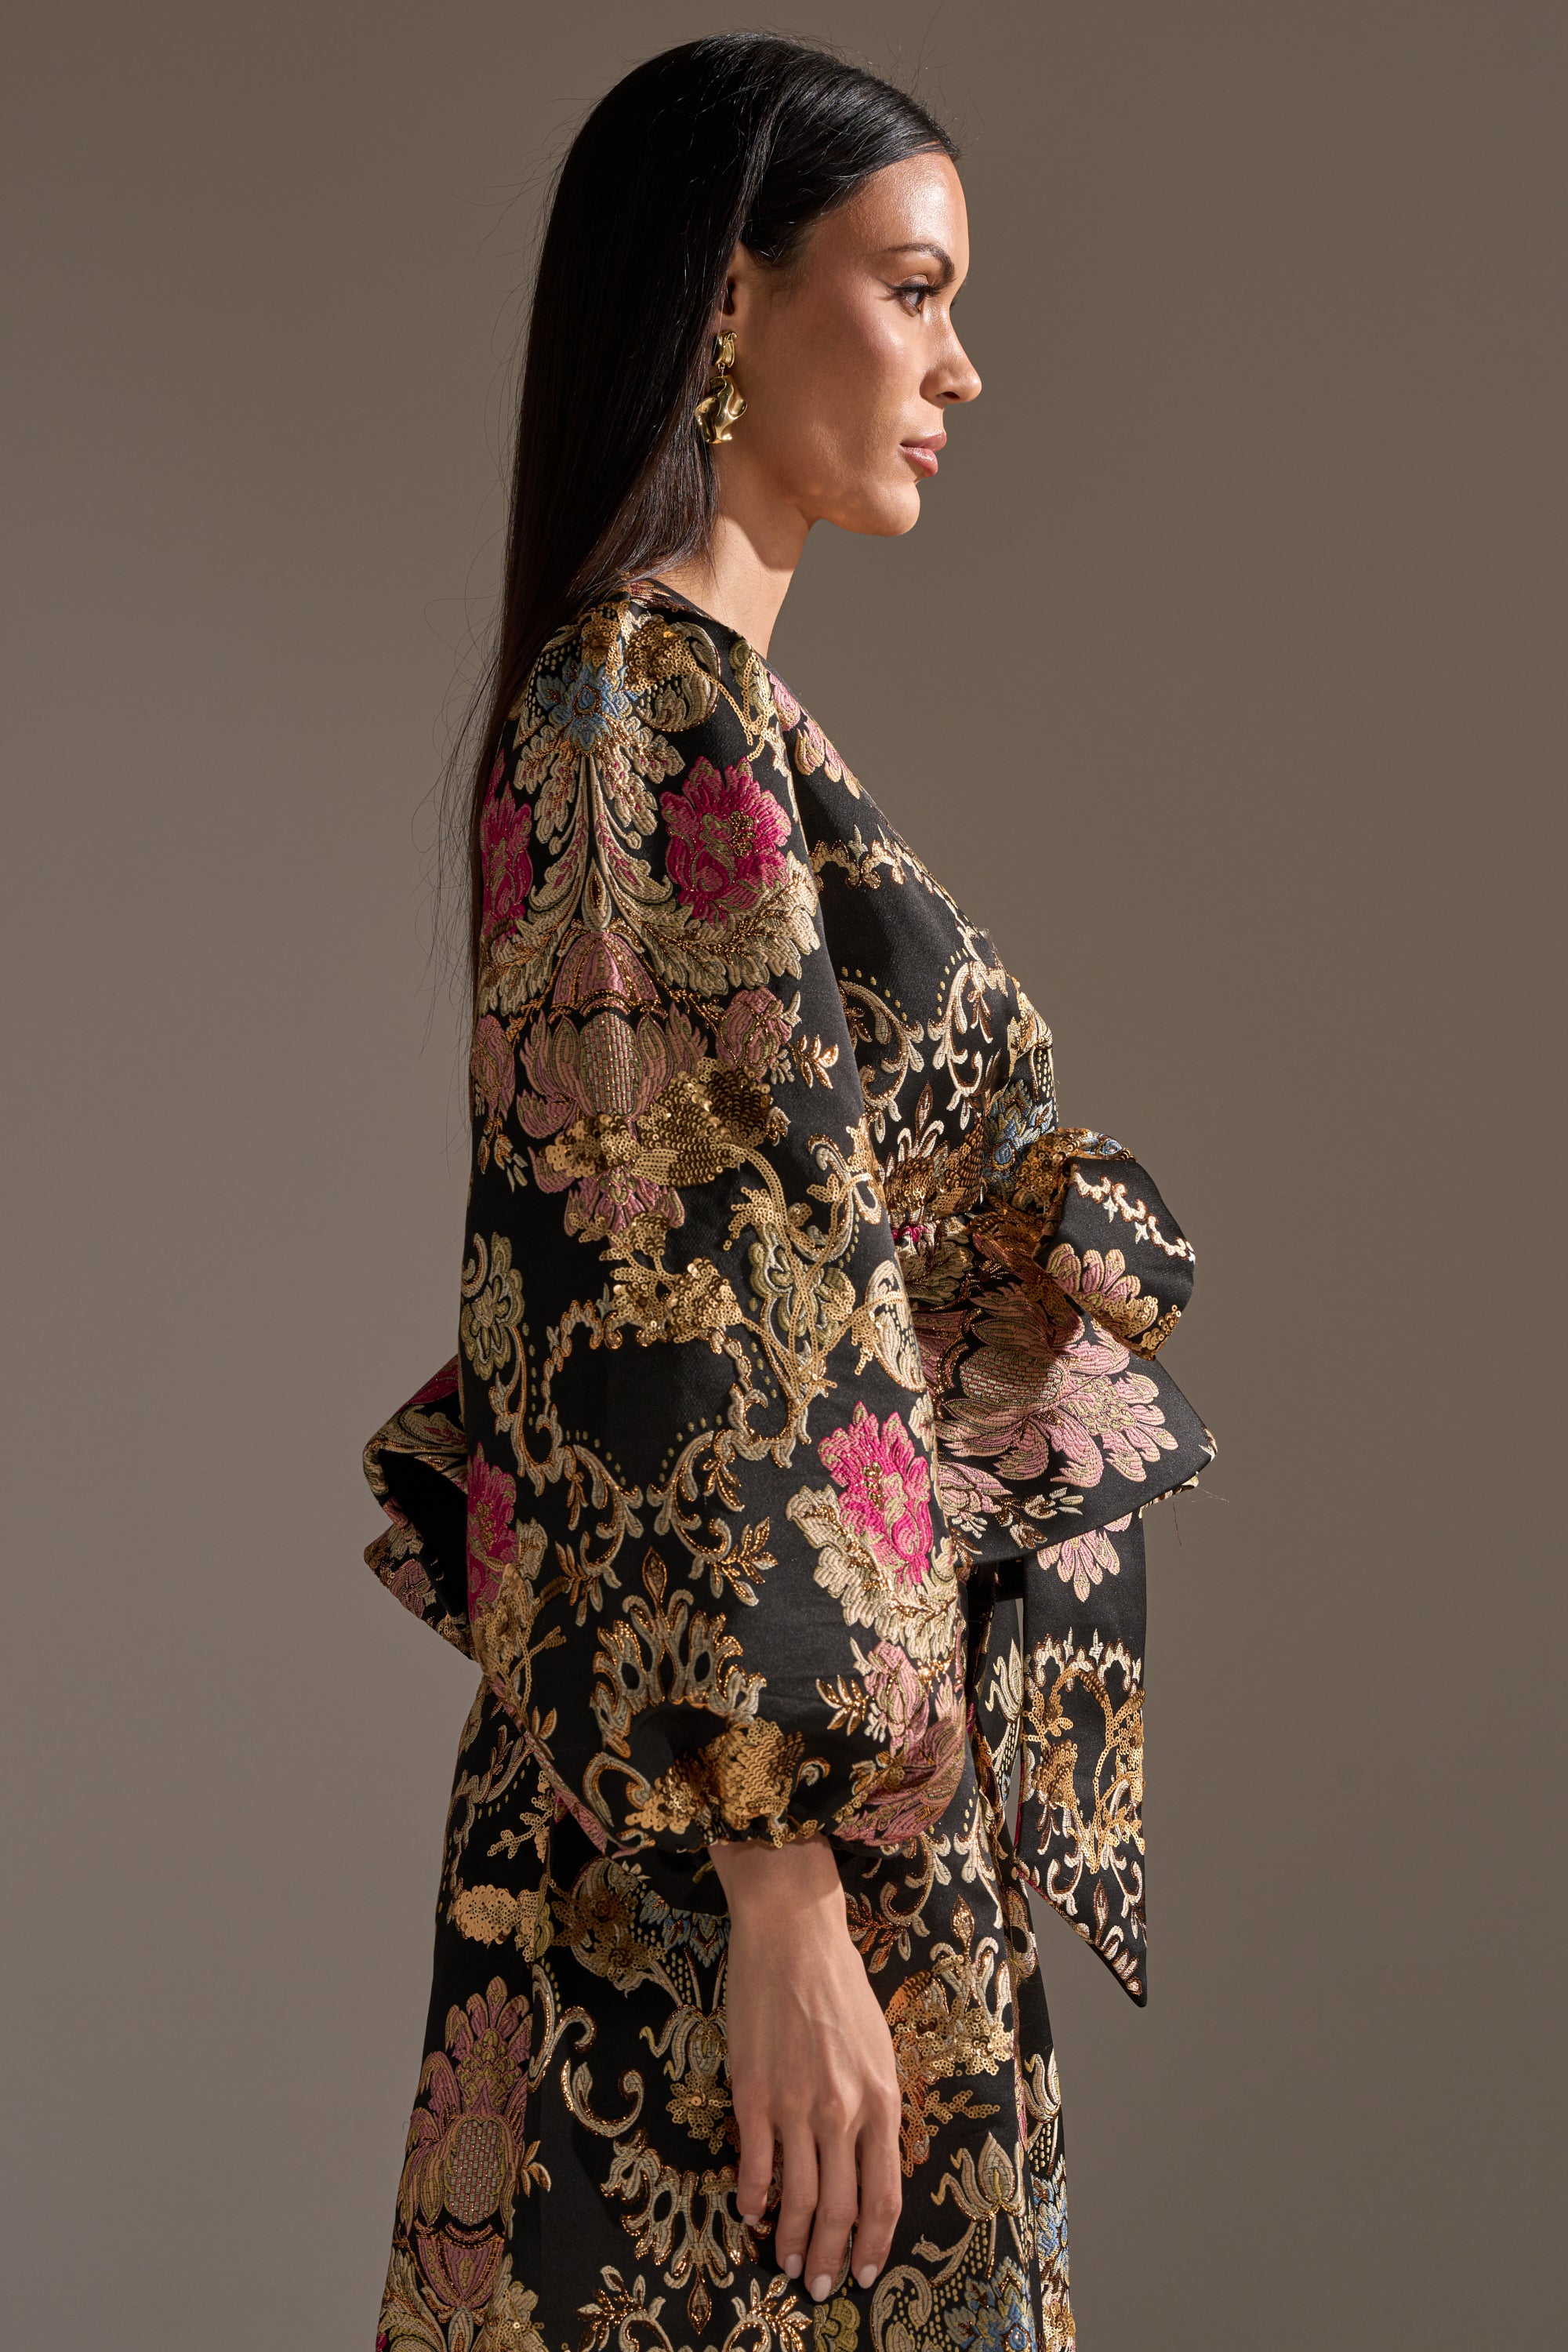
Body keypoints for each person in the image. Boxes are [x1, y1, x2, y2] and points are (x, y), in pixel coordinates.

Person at [361, 34, 1210, 2352]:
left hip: (830, 1809)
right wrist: (779, 1889)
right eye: (910, 289)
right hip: (747, 1861)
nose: (960, 364)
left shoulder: (714, 717)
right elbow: (657, 1299)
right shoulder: (643, 718)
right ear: (730, 304)